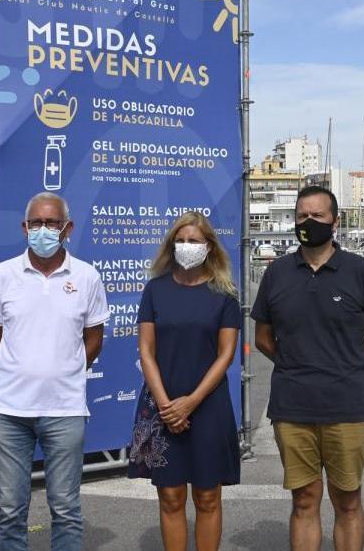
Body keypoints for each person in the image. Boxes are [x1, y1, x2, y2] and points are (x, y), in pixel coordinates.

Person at [251, 185, 364, 551]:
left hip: (346, 406)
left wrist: (349, 370)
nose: (308, 222)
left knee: (348, 502)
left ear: (335, 221)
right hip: (292, 408)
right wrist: (296, 366)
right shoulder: (277, 273)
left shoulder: (358, 270)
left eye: (317, 216)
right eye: (302, 216)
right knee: (303, 501)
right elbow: (264, 338)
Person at [0, 192, 109, 551]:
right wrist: (22, 369)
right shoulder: (2, 275)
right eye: (36, 223)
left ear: (67, 228)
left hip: (65, 411)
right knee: (10, 510)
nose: (43, 230)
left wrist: (63, 371)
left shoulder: (87, 277)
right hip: (8, 413)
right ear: (24, 228)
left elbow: (94, 339)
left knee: (66, 509)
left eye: (51, 223)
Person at [129, 210, 242, 551]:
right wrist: (167, 405)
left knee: (208, 497)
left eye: (193, 241)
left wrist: (190, 402)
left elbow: (226, 355)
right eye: (179, 240)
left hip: (208, 407)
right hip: (162, 408)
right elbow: (146, 351)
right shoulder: (155, 290)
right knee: (171, 496)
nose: (186, 246)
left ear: (209, 246)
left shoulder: (224, 294)